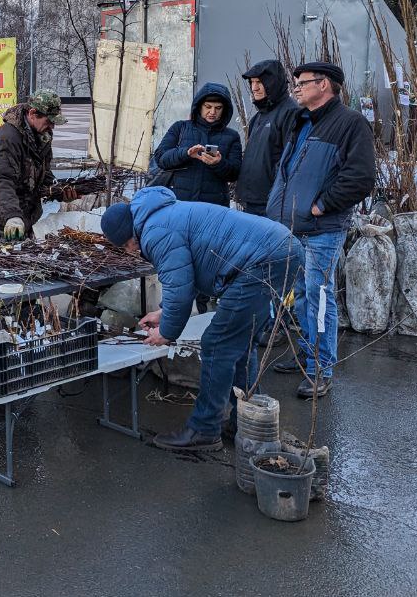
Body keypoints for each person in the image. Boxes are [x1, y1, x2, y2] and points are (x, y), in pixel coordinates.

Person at [100, 187, 304, 452]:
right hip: (279, 249)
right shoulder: (160, 215)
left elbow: (179, 288)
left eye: (126, 247)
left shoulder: (154, 232)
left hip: (262, 260)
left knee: (218, 344)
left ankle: (204, 430)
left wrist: (167, 332)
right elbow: (194, 270)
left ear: (127, 238)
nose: (132, 251)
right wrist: (164, 312)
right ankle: (246, 421)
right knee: (239, 345)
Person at [267, 62, 376, 400]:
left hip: (321, 228)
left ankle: (320, 369)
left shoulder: (350, 124)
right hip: (291, 227)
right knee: (299, 294)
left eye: (302, 83)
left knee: (319, 296)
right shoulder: (301, 122)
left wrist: (322, 205)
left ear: (324, 84)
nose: (296, 89)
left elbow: (360, 177)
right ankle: (306, 355)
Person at [0, 89, 77, 256]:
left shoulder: (42, 135)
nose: (52, 126)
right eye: (49, 121)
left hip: (25, 218)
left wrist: (59, 190)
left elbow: (43, 172)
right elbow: (2, 181)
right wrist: (12, 217)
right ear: (32, 113)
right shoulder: (7, 138)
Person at [150, 83, 242, 207]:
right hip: (178, 204)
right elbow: (161, 159)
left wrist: (218, 163)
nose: (212, 112)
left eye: (218, 108)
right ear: (199, 106)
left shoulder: (232, 136)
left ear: (224, 109)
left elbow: (234, 174)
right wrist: (186, 153)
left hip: (213, 208)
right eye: (208, 106)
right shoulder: (180, 127)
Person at [236, 60, 299, 217]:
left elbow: (291, 161)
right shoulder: (259, 116)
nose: (254, 87)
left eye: (259, 82)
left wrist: (275, 194)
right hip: (252, 201)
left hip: (271, 203)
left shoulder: (290, 112)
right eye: (252, 82)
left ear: (273, 83)